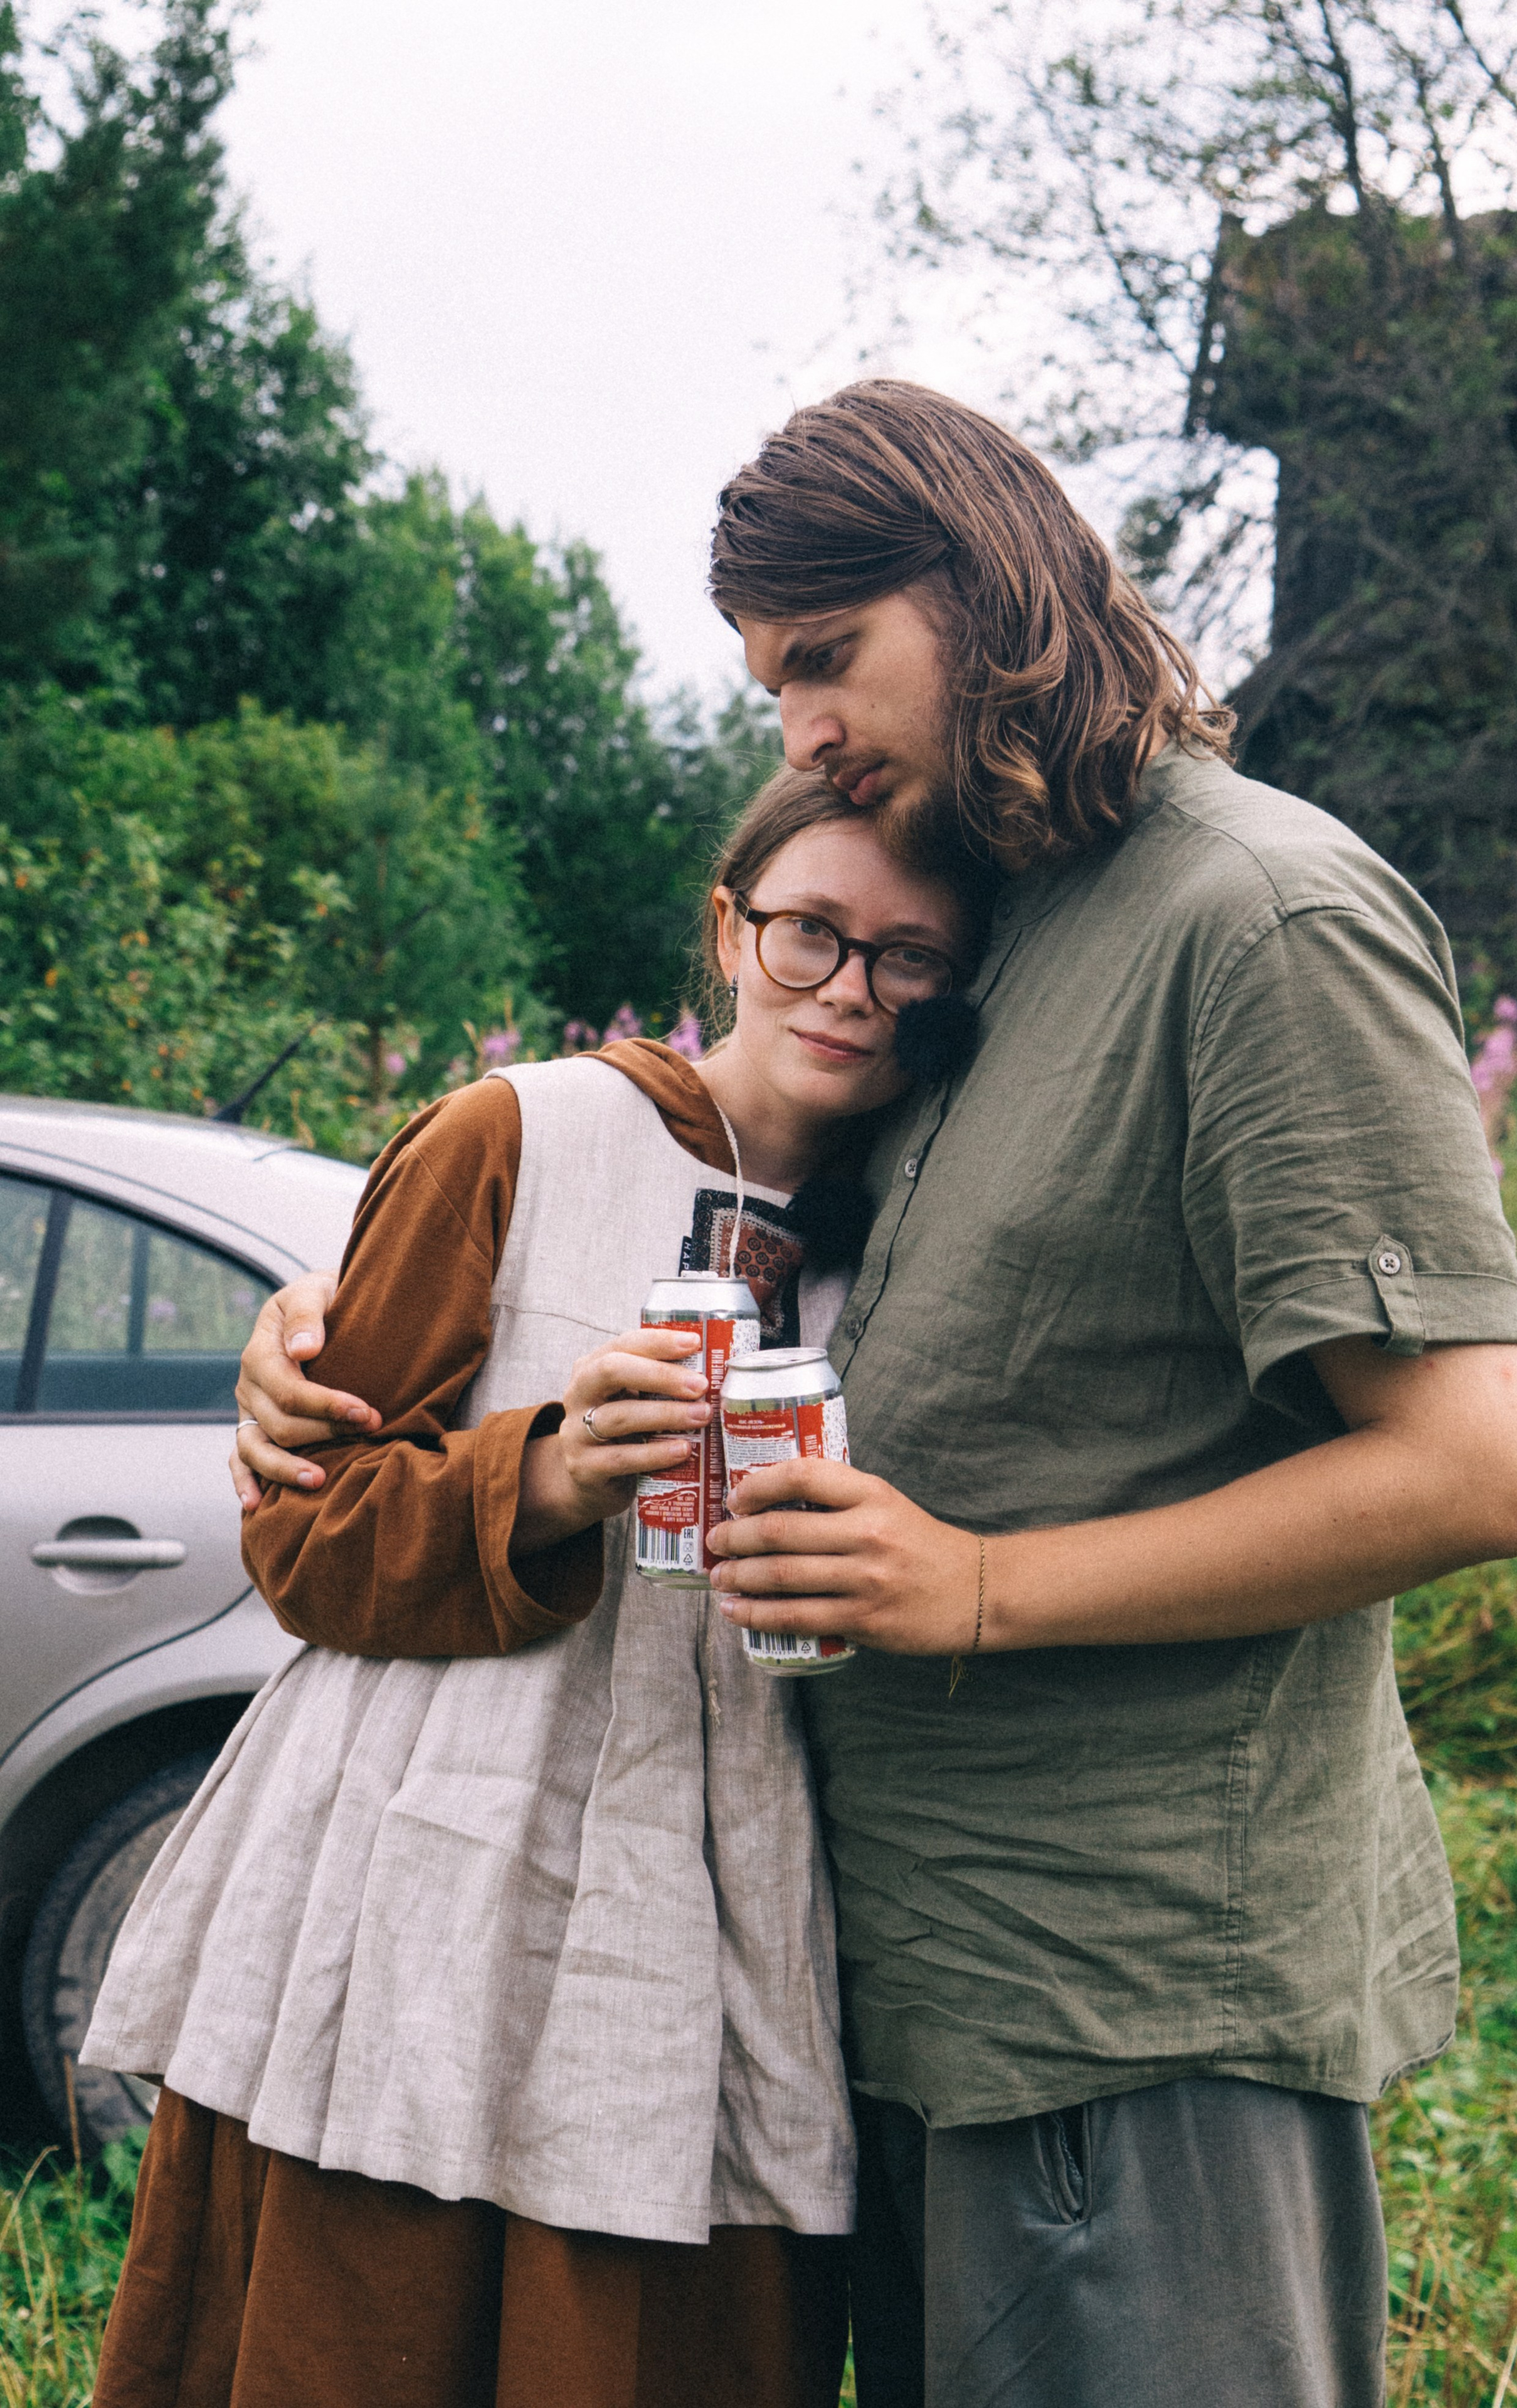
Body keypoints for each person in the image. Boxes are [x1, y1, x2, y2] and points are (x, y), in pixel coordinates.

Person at [234, 381, 1517, 2408]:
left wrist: (978, 1587)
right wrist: (334, 1333)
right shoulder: (1005, 928)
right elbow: (719, 1203)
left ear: (989, 582)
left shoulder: (1257, 915)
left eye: (829, 657)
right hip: (911, 2008)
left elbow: (1475, 1468)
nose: (803, 732)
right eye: (775, 688)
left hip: (1140, 2008)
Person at [82, 766, 985, 2408]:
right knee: (371, 2332)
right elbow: (302, 1536)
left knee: (652, 2338)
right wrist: (550, 1473)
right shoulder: (527, 1133)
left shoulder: (918, 1219)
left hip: (715, 1883)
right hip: (433, 1865)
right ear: (729, 930)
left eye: (906, 957)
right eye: (811, 935)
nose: (851, 989)